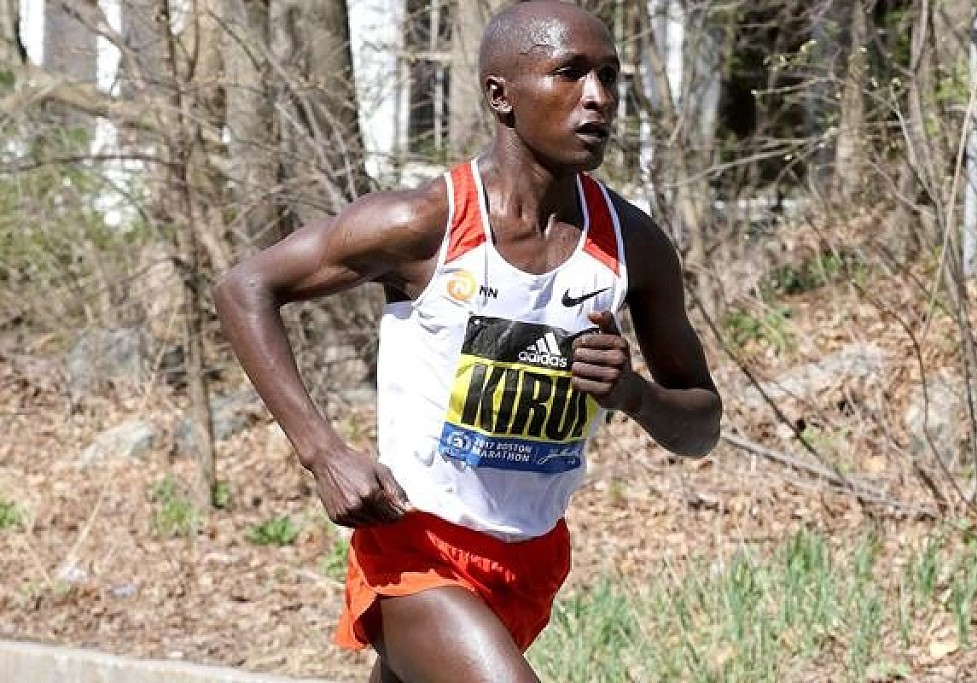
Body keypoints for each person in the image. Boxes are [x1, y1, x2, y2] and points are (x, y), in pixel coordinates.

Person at [214, 1, 721, 681]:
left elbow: (701, 426)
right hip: (415, 547)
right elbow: (245, 288)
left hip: (531, 557)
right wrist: (323, 452)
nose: (598, 97)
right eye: (570, 73)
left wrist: (633, 394)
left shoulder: (633, 245)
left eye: (609, 76)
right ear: (500, 95)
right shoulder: (424, 222)